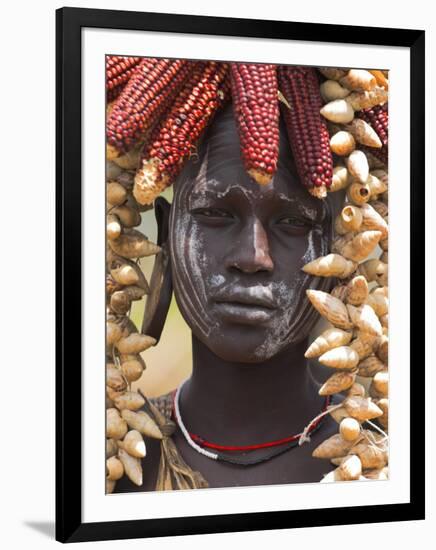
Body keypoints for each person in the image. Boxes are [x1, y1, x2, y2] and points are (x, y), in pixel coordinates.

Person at [114, 103, 344, 493]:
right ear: (166, 232)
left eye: (293, 222)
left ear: (342, 248)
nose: (252, 257)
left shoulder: (389, 449)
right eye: (215, 214)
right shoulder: (113, 464)